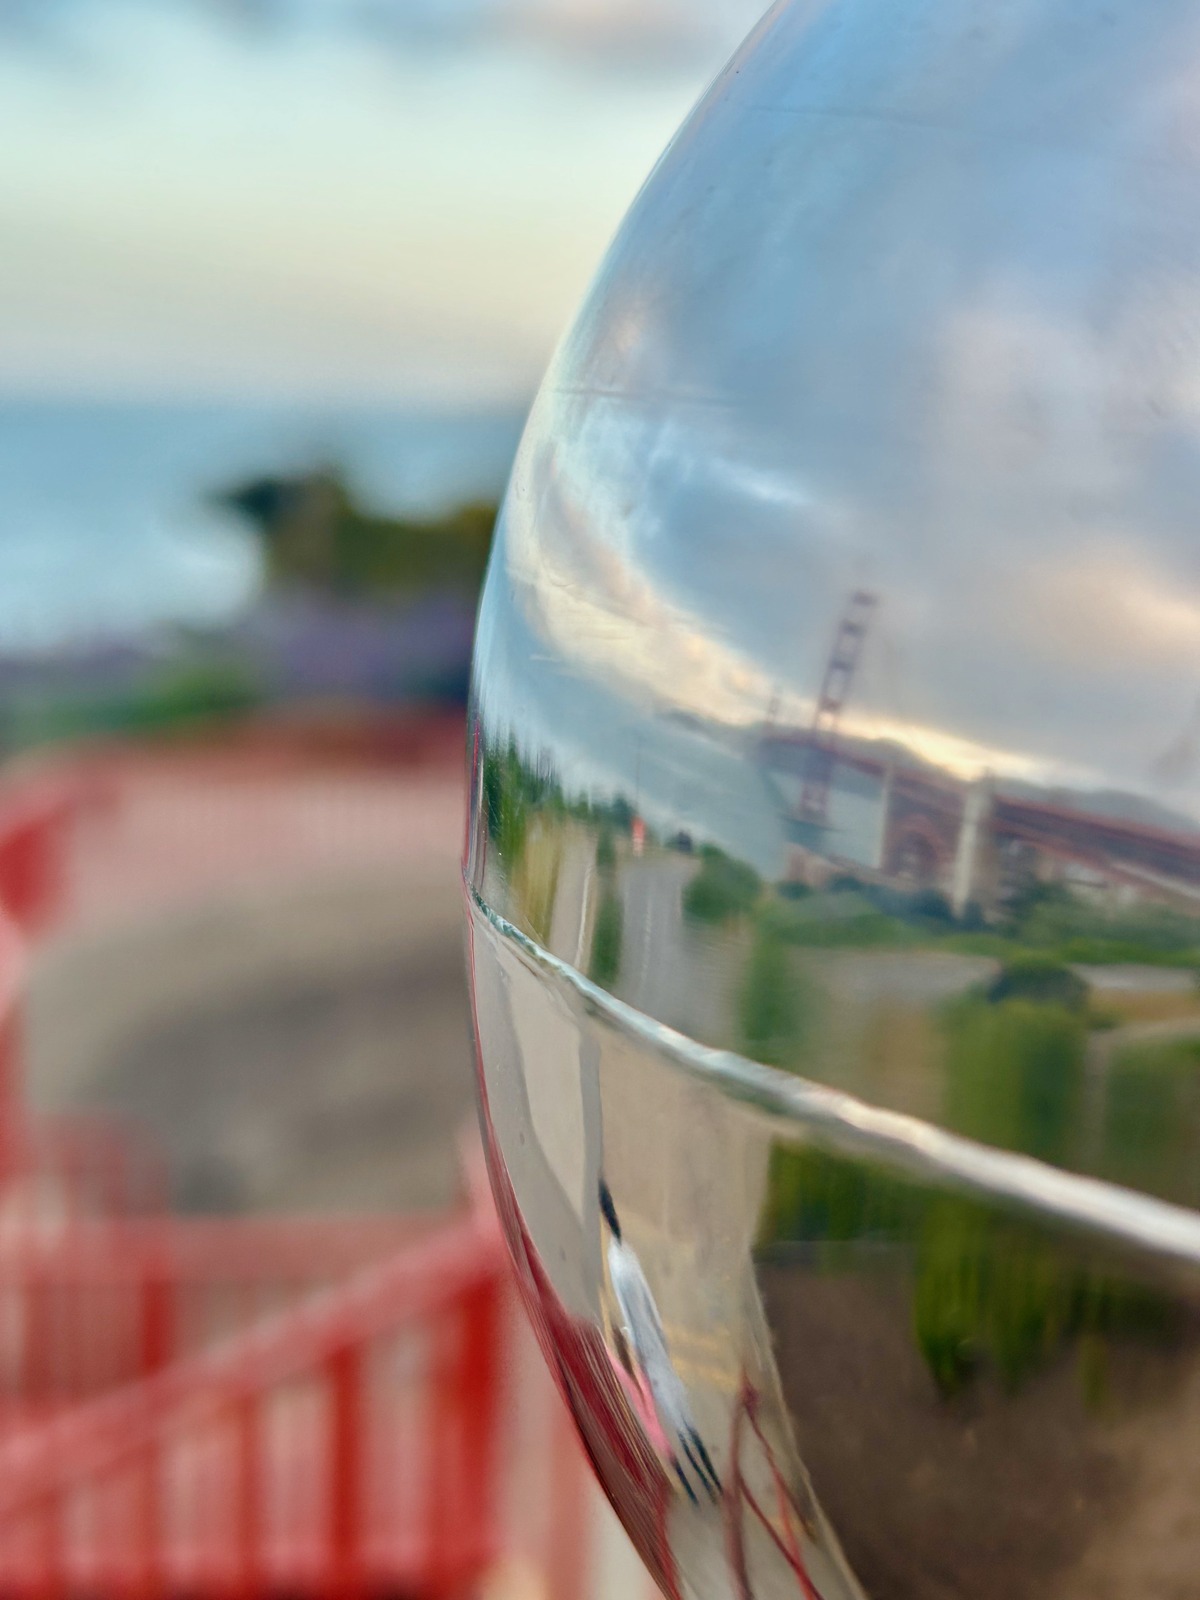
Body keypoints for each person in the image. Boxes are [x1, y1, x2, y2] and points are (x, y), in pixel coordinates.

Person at [599, 1180, 722, 1505]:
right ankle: (704, 1487)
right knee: (684, 1432)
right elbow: (640, 1315)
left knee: (686, 1431)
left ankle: (707, 1485)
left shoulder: (622, 1260)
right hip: (657, 1365)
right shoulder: (622, 1262)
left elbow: (643, 1312)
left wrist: (650, 1339)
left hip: (658, 1363)